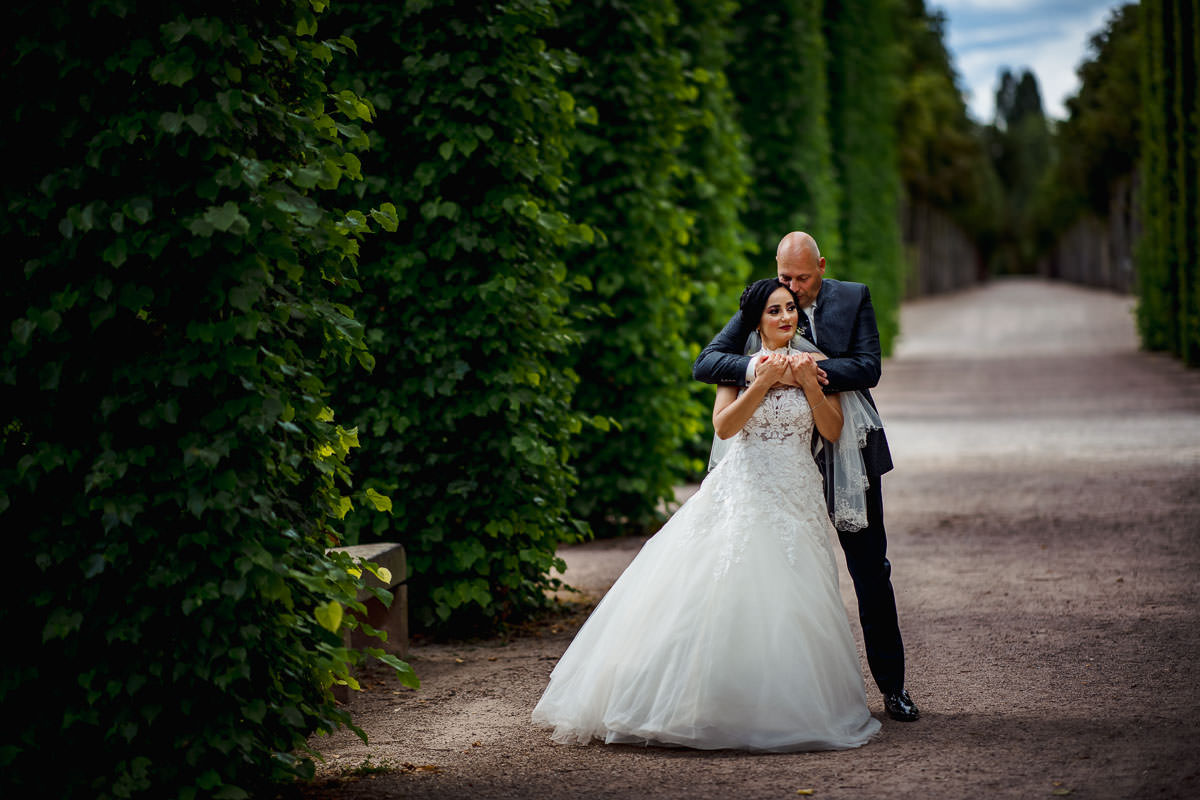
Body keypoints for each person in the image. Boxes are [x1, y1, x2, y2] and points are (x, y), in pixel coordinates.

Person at [531, 279, 881, 752]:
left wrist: (806, 383)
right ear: (757, 320)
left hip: (796, 490)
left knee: (794, 596)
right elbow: (726, 425)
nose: (785, 317)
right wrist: (760, 381)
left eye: (791, 309)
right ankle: (693, 705)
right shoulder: (738, 364)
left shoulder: (818, 362)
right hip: (744, 486)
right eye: (774, 311)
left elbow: (833, 429)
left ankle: (782, 705)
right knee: (722, 585)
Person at [692, 231, 919, 722]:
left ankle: (893, 688)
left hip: (844, 453)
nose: (792, 289)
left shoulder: (853, 298)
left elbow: (868, 367)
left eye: (801, 278)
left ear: (821, 265)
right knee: (772, 572)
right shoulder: (770, 303)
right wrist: (760, 366)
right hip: (777, 464)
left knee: (869, 570)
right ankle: (763, 692)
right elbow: (708, 362)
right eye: (784, 278)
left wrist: (810, 372)